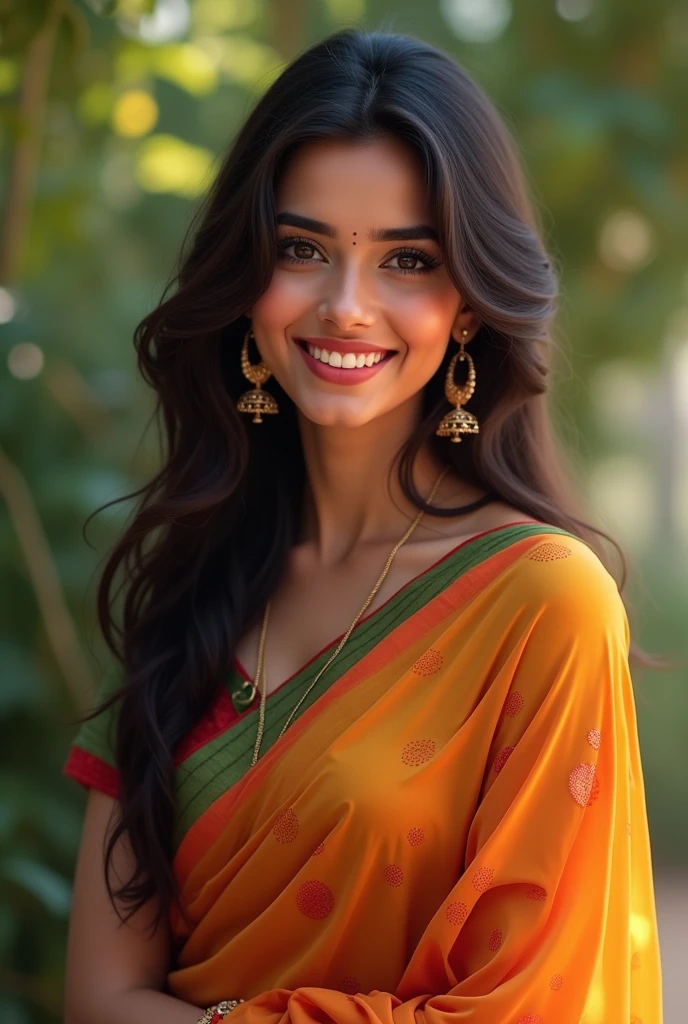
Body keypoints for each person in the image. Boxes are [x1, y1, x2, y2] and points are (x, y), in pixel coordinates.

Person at [63, 26, 663, 1024]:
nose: (346, 305)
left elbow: (542, 1006)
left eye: (406, 260)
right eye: (301, 249)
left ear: (467, 303)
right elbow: (97, 997)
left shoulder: (537, 603)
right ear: (246, 276)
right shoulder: (199, 582)